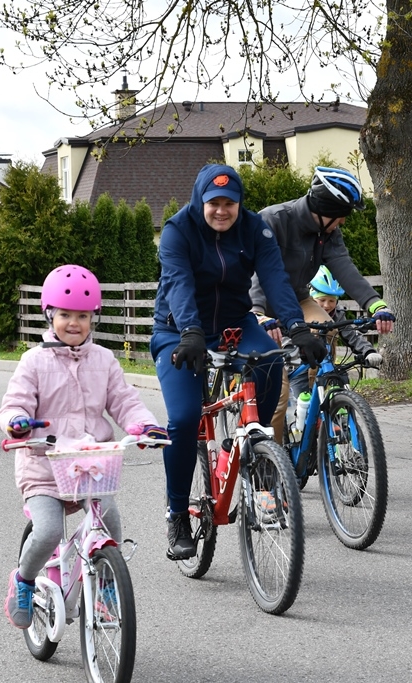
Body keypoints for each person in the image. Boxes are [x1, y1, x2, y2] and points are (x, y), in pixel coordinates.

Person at [151, 164, 328, 561]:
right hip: (179, 332)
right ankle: (177, 512)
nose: (221, 211)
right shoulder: (177, 231)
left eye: (229, 203)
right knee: (182, 419)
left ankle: (256, 450)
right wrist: (191, 331)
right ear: (200, 200)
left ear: (239, 203)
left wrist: (297, 327)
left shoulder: (254, 229)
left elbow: (276, 279)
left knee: (269, 363)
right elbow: (178, 283)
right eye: (213, 203)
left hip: (235, 324)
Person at [0, 264, 168, 629]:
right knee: (48, 532)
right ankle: (24, 580)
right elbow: (15, 403)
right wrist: (16, 421)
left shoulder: (104, 360)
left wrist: (144, 425)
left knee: (111, 525)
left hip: (90, 468)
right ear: (49, 315)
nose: (74, 323)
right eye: (65, 315)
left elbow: (124, 399)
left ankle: (105, 589)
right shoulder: (34, 361)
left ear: (94, 318)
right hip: (44, 467)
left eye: (83, 316)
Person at [248, 166, 395, 441]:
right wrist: (256, 312)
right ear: (323, 209)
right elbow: (257, 273)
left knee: (328, 328)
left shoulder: (326, 231)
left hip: (297, 298)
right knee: (277, 396)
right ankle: (274, 466)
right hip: (259, 304)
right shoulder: (273, 219)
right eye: (340, 216)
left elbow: (345, 268)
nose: (343, 222)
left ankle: (319, 400)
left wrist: (376, 305)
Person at [308, 265, 381, 368]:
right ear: (312, 297)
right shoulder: (302, 311)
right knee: (299, 383)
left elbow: (351, 335)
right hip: (300, 362)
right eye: (322, 300)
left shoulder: (337, 314)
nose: (327, 305)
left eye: (332, 301)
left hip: (326, 366)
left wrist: (368, 351)